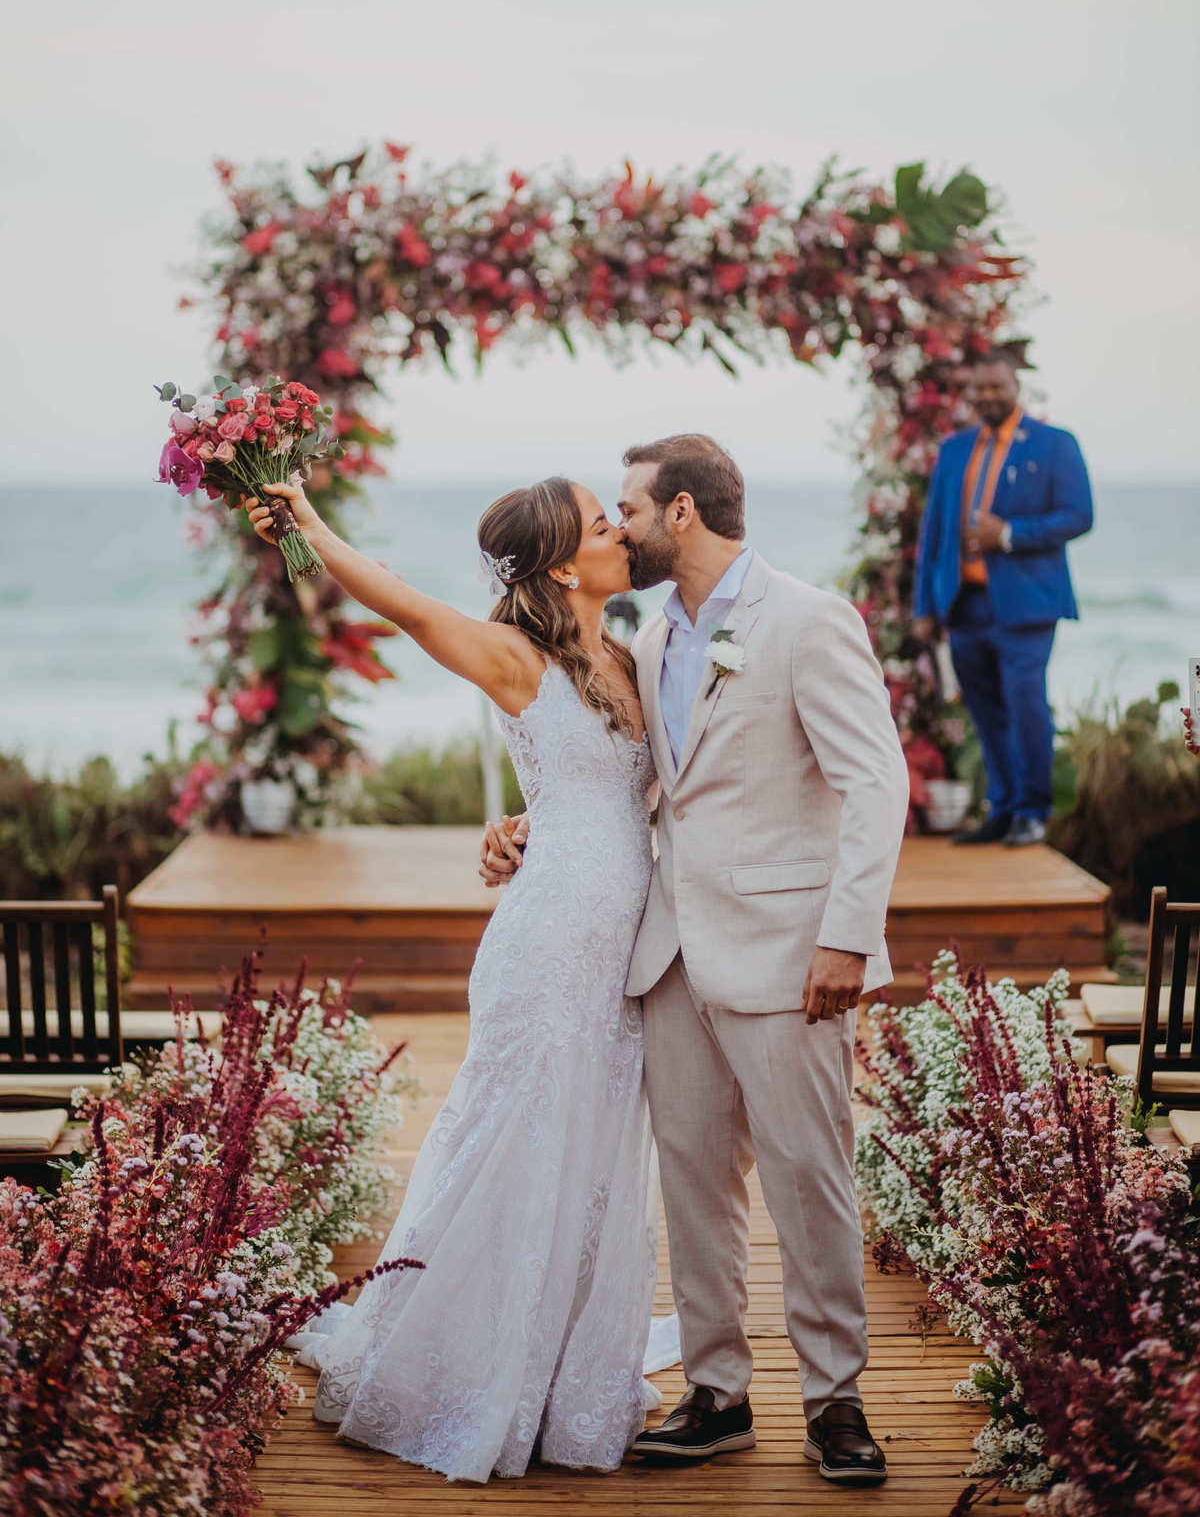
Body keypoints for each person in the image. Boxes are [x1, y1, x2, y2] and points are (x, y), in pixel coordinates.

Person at [484, 434, 909, 1486]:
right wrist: (517, 830)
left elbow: (877, 784)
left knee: (812, 1178)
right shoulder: (648, 641)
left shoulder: (809, 620)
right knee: (692, 1181)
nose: (616, 527)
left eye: (625, 507)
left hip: (790, 953)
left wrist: (849, 936)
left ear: (679, 512)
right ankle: (717, 1395)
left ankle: (836, 1403)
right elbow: (627, 786)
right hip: (668, 953)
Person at [242, 472, 676, 1482]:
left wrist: (517, 825)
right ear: (564, 562)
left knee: (592, 1151)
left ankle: (560, 1373)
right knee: (511, 1142)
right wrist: (306, 519)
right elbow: (400, 602)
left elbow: (625, 795)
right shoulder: (513, 655)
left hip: (619, 946)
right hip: (549, 942)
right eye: (604, 524)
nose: (621, 532)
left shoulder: (623, 654)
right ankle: (463, 1373)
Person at [912, 353, 1093, 848]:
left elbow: (1079, 516)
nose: (988, 396)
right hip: (965, 604)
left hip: (1028, 606)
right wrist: (923, 607)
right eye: (980, 389)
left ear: (1016, 386)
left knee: (1025, 704)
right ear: (969, 394)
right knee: (984, 711)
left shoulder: (1055, 445)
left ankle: (1034, 811)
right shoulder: (954, 450)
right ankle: (1004, 807)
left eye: (997, 387)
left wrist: (1009, 534)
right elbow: (934, 530)